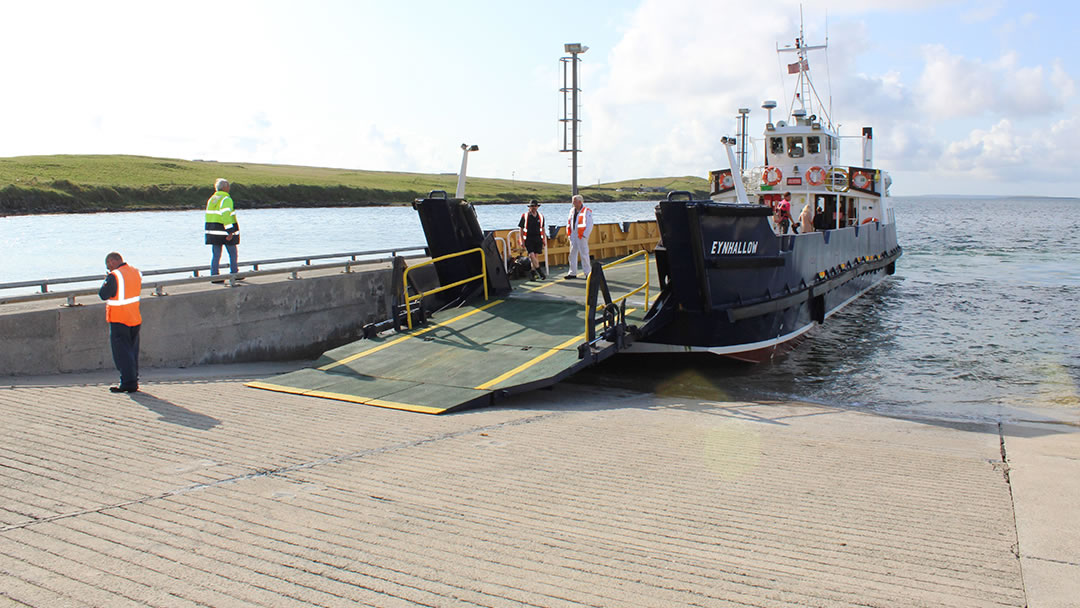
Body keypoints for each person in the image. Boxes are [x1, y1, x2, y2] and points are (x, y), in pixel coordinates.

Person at [98, 252, 142, 393]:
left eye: (108, 266)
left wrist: (107, 279)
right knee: (132, 352)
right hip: (134, 317)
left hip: (119, 318)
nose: (108, 269)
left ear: (111, 261)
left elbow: (103, 294)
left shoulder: (115, 276)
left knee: (122, 354)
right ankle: (133, 379)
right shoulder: (135, 272)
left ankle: (128, 383)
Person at [205, 178, 240, 279]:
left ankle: (214, 275)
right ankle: (234, 274)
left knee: (216, 254)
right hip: (223, 231)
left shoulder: (212, 199)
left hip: (212, 231)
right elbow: (226, 216)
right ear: (225, 188)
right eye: (228, 186)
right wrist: (230, 231)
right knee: (233, 252)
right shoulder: (226, 199)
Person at [517, 200, 547, 280]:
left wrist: (543, 239)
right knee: (531, 255)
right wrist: (522, 240)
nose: (533, 208)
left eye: (535, 206)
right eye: (532, 206)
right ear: (529, 207)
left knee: (535, 256)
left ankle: (532, 273)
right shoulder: (525, 216)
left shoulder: (541, 216)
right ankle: (540, 272)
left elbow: (543, 228)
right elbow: (521, 228)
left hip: (538, 238)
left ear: (537, 207)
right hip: (528, 238)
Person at [565, 194, 593, 279]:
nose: (573, 203)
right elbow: (569, 222)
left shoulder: (586, 211)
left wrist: (585, 235)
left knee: (584, 254)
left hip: (581, 235)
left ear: (580, 202)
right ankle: (572, 272)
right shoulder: (572, 211)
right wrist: (569, 233)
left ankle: (588, 273)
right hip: (573, 235)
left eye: (574, 201)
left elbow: (589, 224)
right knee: (572, 254)